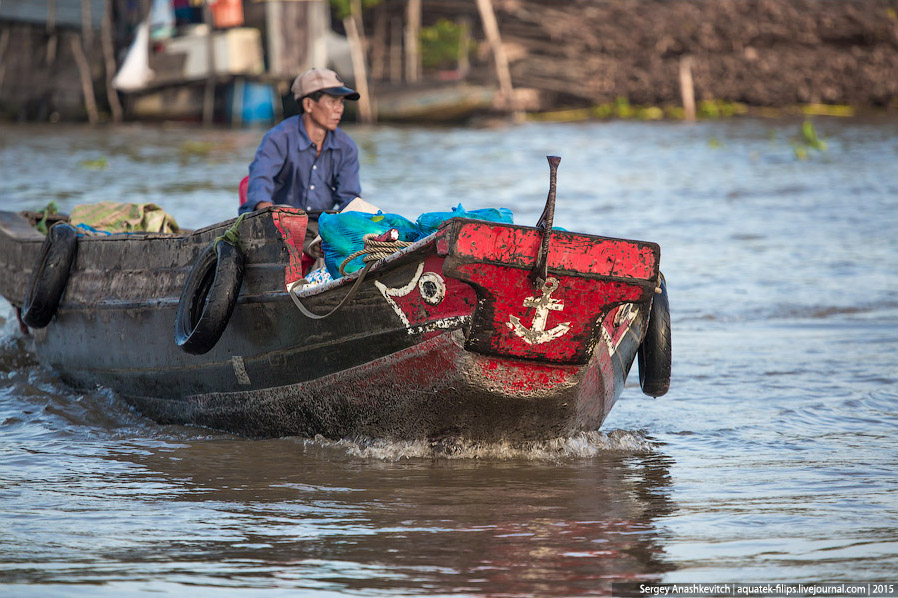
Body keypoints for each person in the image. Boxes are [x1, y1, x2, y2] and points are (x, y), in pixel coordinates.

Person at [240, 68, 363, 215]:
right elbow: (260, 180)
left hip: (318, 224)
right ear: (308, 105)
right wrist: (269, 211)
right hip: (273, 222)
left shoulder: (346, 146)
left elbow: (349, 198)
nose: (339, 109)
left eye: (341, 102)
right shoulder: (279, 138)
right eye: (332, 102)